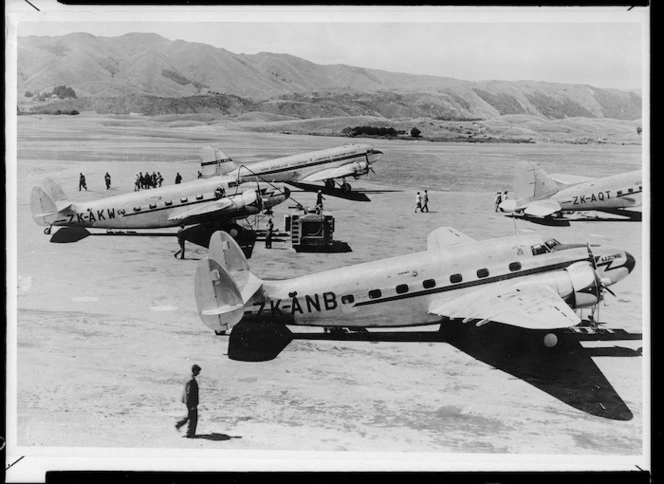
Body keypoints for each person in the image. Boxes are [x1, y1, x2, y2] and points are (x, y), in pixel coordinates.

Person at [175, 364, 201, 438]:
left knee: (190, 416)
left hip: (188, 401)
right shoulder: (192, 380)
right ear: (195, 371)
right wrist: (192, 405)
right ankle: (190, 433)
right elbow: (189, 393)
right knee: (193, 418)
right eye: (198, 371)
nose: (198, 373)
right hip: (191, 402)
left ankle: (179, 424)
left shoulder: (189, 377)